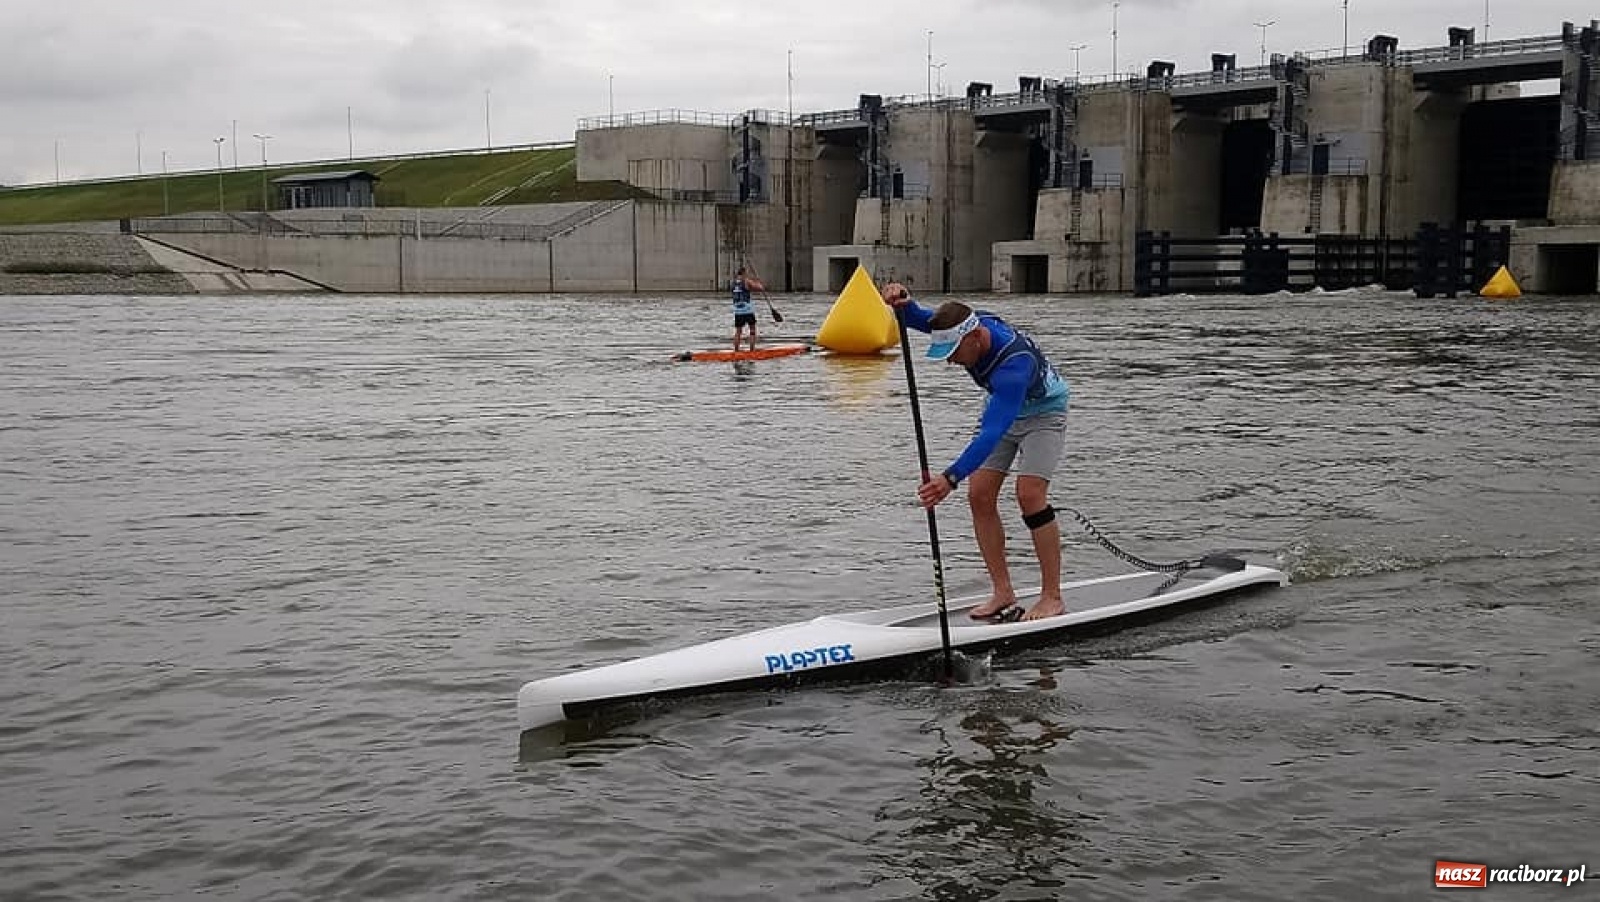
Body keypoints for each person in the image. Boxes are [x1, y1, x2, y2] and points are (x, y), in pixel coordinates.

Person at [881, 282, 1071, 621]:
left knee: (1029, 495)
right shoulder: (966, 325)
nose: (952, 362)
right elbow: (923, 319)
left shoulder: (1014, 366)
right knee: (980, 496)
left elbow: (992, 433)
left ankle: (1052, 596)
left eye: (954, 352)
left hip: (1043, 414)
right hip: (1000, 410)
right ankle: (1003, 592)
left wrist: (949, 478)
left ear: (977, 339)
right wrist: (903, 301)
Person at [729, 267, 765, 352]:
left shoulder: (733, 284)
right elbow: (760, 288)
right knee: (752, 330)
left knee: (738, 332)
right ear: (744, 273)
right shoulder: (747, 281)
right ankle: (752, 350)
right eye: (746, 274)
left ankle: (736, 351)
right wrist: (758, 282)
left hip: (737, 311)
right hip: (747, 311)